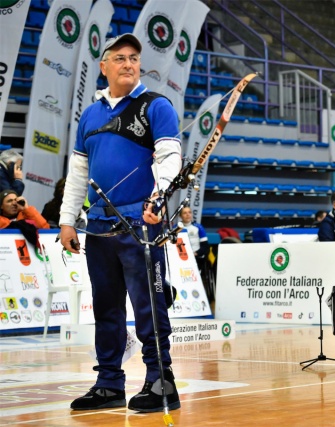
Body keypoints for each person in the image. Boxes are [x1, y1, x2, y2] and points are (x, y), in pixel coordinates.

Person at [58, 34, 182, 413]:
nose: (128, 64)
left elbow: (170, 158)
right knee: (106, 310)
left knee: (149, 305)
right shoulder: (90, 115)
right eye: (120, 58)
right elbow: (78, 172)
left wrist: (158, 196)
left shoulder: (156, 106)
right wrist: (67, 220)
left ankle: (162, 382)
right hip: (97, 228)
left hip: (140, 223)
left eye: (133, 58)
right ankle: (109, 383)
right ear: (104, 66)